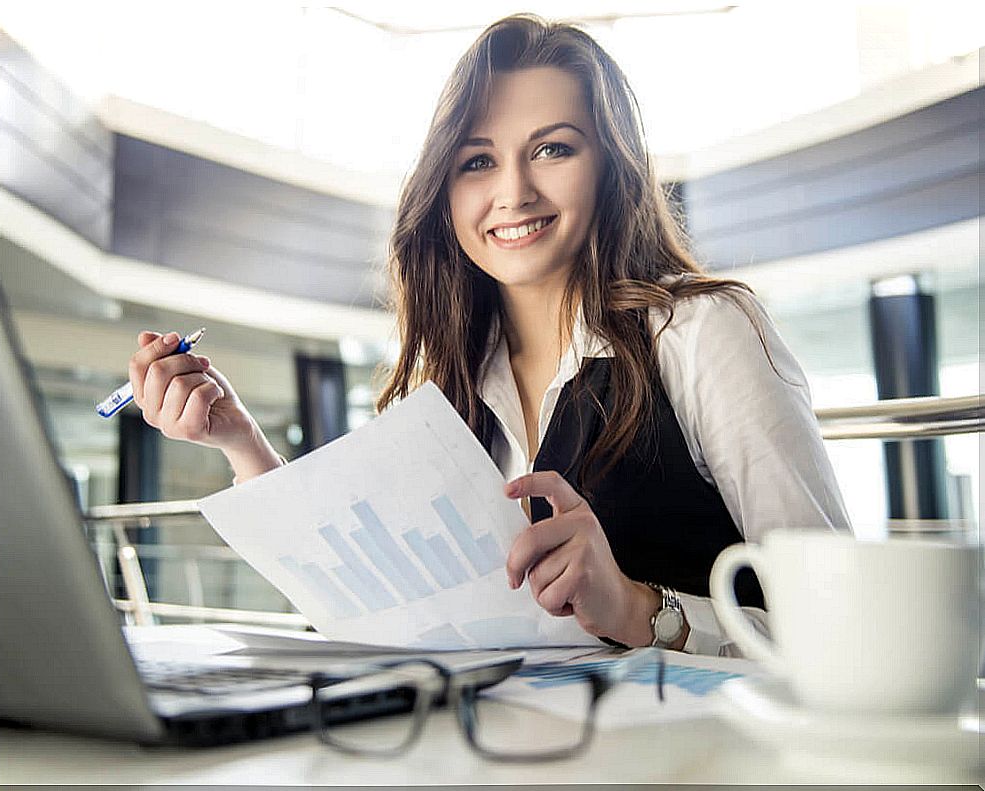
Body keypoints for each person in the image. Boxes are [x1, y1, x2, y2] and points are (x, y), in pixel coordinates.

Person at [128, 15, 851, 655]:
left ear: (611, 166)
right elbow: (378, 600)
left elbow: (840, 625)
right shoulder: (441, 382)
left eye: (552, 149)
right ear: (443, 190)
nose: (513, 192)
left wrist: (639, 608)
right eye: (477, 161)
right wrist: (240, 442)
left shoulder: (700, 333)